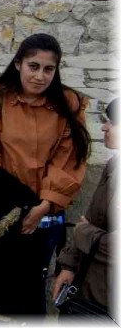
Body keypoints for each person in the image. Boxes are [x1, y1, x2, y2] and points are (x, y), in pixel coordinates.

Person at [0, 33, 89, 317]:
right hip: (4, 212)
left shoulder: (68, 104)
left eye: (49, 69)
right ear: (18, 64)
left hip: (46, 214)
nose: (40, 76)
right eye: (33, 66)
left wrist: (43, 206)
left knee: (34, 285)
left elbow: (68, 160)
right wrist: (15, 210)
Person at [52, 99, 115, 319]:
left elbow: (85, 228)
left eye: (113, 123)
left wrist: (84, 233)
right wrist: (68, 266)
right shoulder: (113, 165)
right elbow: (90, 218)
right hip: (87, 289)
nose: (105, 127)